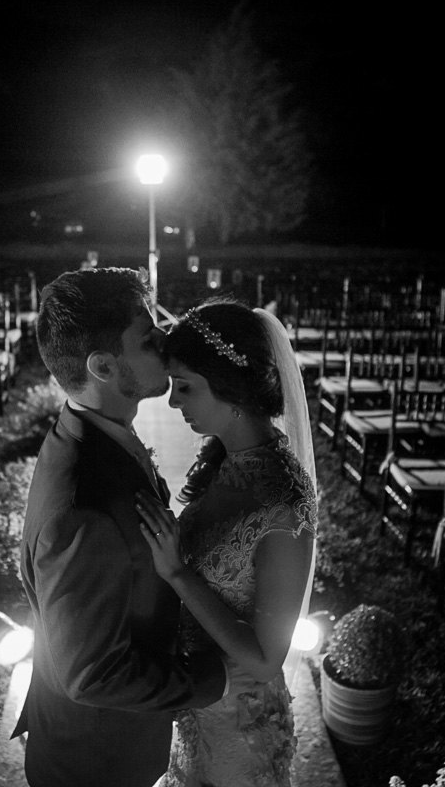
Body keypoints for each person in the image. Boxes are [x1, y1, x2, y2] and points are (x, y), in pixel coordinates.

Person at [14, 268, 245, 787]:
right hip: (96, 763)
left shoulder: (88, 433)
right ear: (102, 366)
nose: (165, 341)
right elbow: (92, 673)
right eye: (147, 338)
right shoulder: (83, 508)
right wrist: (210, 680)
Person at [136, 296, 318, 787]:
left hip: (241, 729)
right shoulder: (227, 461)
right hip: (198, 699)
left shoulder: (283, 503)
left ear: (232, 390)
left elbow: (264, 659)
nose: (173, 401)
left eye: (186, 387)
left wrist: (177, 573)